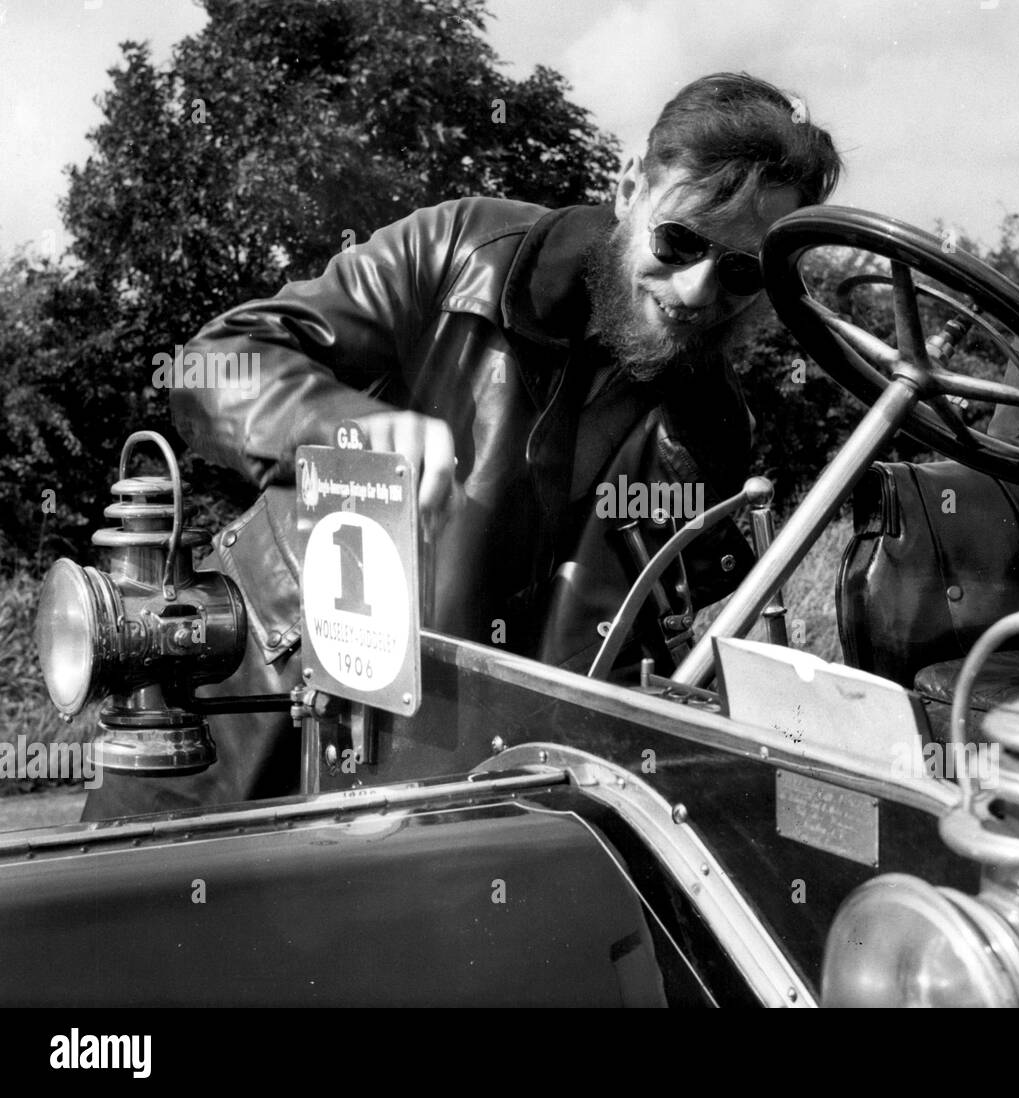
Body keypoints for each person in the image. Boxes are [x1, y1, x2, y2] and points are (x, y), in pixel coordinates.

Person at [82, 71, 842, 820]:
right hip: (250, 713)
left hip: (452, 785)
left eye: (741, 272)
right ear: (627, 187)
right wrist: (346, 427)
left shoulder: (711, 433)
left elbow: (619, 643)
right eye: (678, 242)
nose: (698, 292)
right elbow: (214, 364)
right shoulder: (461, 251)